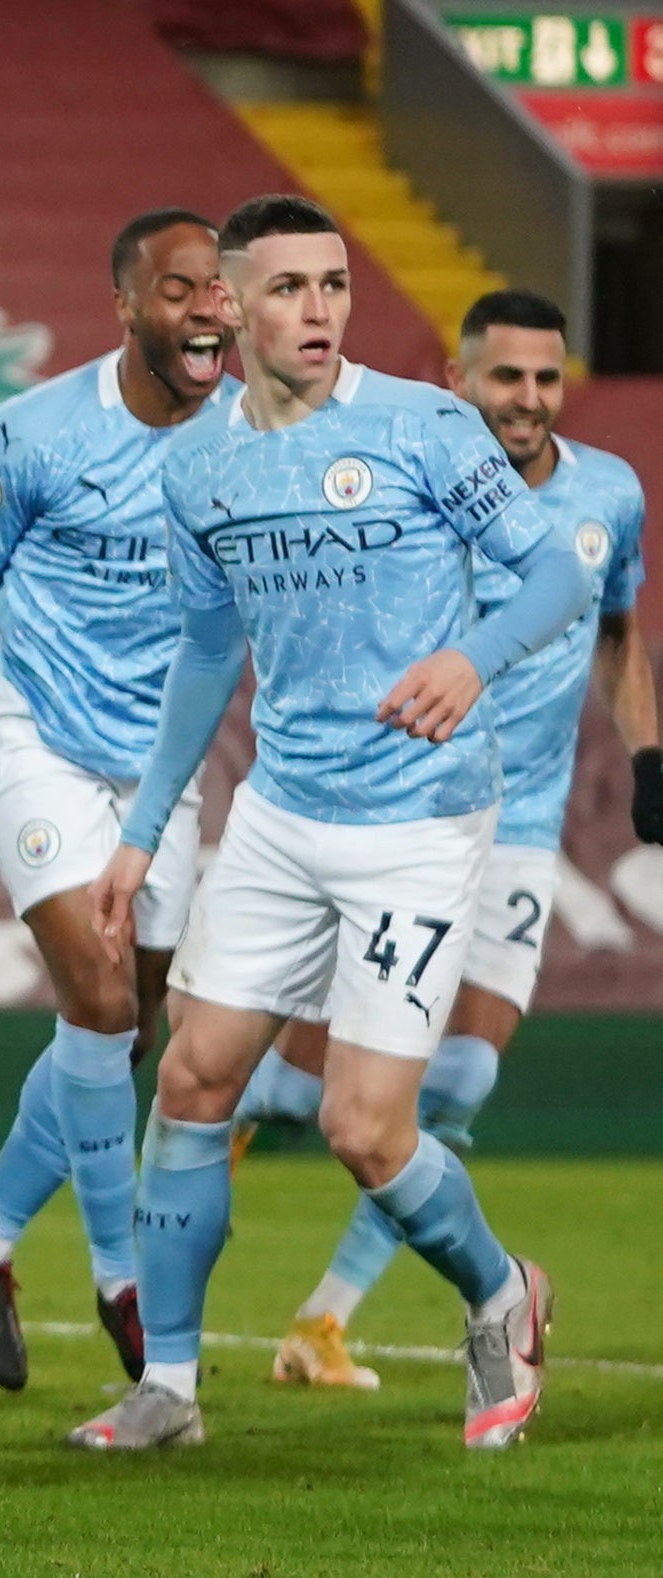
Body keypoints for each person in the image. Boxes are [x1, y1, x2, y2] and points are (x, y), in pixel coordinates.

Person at [70, 195, 590, 1453]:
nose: (318, 310)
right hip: (280, 814)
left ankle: (494, 1295)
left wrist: (469, 659)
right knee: (191, 1078)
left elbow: (552, 572)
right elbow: (205, 650)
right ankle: (171, 1390)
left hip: (417, 822)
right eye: (290, 288)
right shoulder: (197, 461)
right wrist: (142, 830)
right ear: (230, 307)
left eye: (334, 285)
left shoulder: (423, 427)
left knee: (365, 1128)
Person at [231, 287, 658, 1389]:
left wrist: (648, 756)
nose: (525, 398)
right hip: (396, 817)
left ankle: (323, 1322)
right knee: (294, 1094)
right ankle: (185, 1205)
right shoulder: (406, 480)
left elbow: (613, 634)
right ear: (456, 378)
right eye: (502, 376)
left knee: (456, 1083)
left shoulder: (608, 492)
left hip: (516, 832)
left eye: (543, 378)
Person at [0, 209, 234, 1391]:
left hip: (159, 767)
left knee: (128, 1022)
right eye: (179, 289)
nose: (208, 311)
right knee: (94, 995)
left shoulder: (254, 440)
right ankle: (118, 1273)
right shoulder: (28, 434)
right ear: (127, 308)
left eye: (219, 290)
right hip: (31, 731)